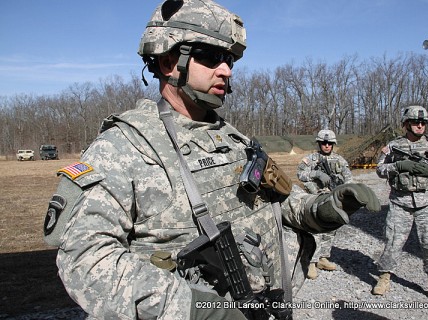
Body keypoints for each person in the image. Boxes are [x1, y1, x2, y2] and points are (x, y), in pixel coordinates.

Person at [43, 1, 380, 319]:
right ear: (167, 62)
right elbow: (84, 260)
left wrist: (322, 208)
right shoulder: (124, 148)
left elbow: (277, 203)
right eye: (211, 57)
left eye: (229, 60)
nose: (226, 71)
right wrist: (197, 307)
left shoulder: (232, 138)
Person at [372, 105, 428, 304]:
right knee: (392, 242)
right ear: (406, 124)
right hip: (400, 201)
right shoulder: (393, 146)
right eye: (415, 122)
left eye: (423, 122)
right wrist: (398, 166)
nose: (420, 126)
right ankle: (384, 278)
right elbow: (380, 169)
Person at [297, 129, 353, 279]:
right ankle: (311, 262)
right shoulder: (311, 159)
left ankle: (323, 258)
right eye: (324, 143)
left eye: (329, 143)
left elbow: (349, 180)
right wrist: (316, 174)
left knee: (330, 228)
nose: (327, 145)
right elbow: (300, 174)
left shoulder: (340, 160)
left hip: (333, 198)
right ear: (319, 143)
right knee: (315, 229)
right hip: (316, 198)